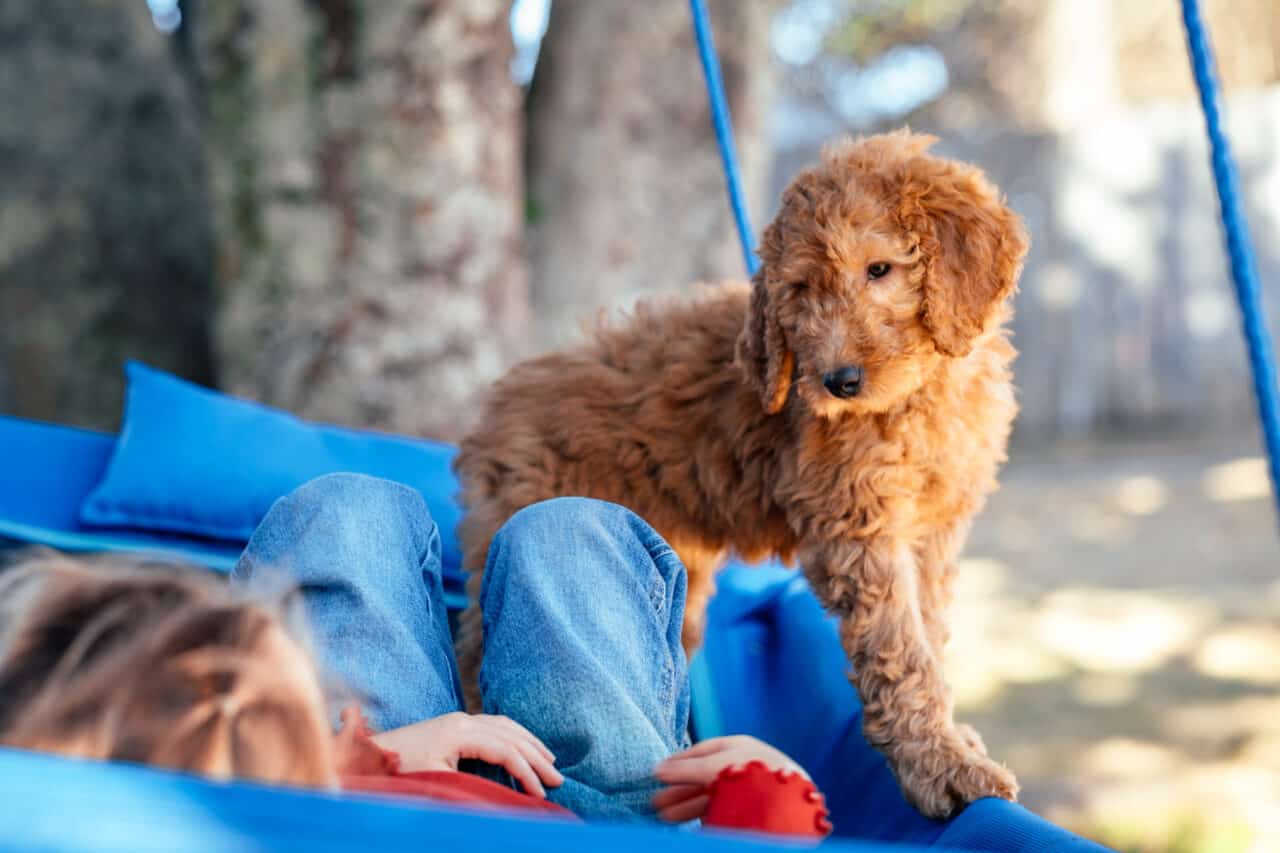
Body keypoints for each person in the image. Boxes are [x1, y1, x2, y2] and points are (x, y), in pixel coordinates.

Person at [0, 474, 830, 837]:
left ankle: (282, 737)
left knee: (343, 514)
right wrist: (767, 790)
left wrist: (371, 753)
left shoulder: (219, 801)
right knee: (571, 532)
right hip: (602, 823)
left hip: (320, 793)